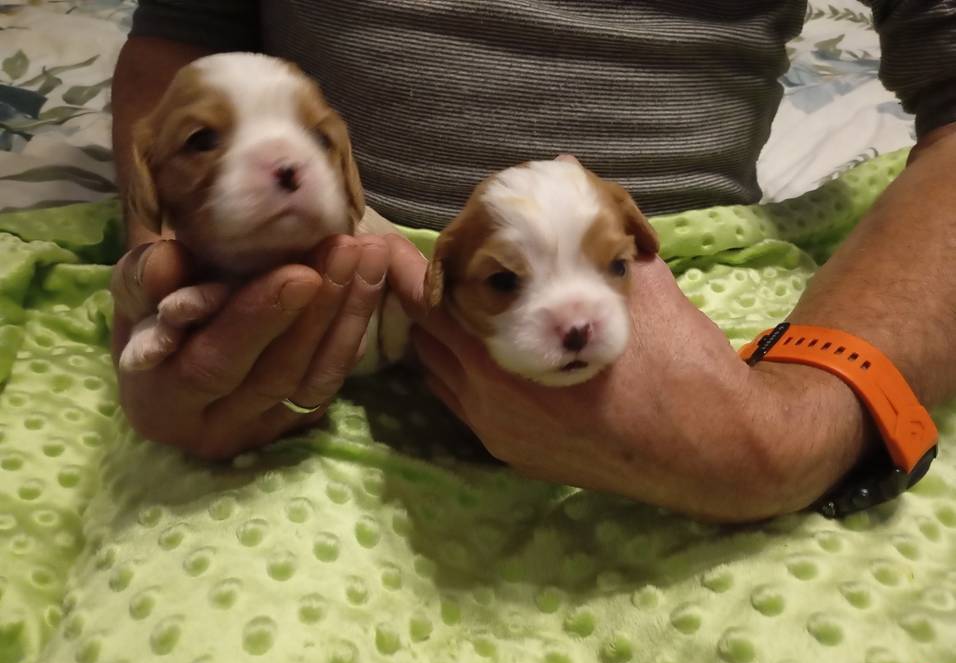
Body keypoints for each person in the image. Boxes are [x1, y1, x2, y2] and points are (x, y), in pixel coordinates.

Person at [111, 1, 956, 521]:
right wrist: (169, 262)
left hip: (734, 326)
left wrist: (808, 415)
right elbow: (185, 40)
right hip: (302, 357)